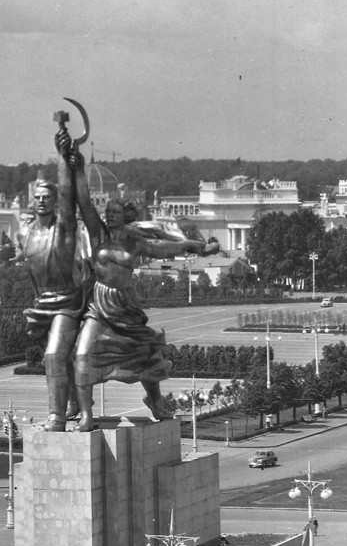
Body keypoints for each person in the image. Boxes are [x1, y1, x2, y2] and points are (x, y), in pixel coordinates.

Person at [68, 145, 218, 421]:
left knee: (144, 354)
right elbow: (85, 203)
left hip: (124, 306)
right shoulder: (98, 234)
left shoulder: (136, 243)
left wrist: (200, 249)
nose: (108, 214)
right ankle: (84, 411)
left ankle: (156, 401)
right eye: (108, 211)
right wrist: (78, 169)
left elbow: (170, 247)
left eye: (114, 211)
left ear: (125, 216)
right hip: (98, 305)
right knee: (82, 353)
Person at [15, 125, 91, 431]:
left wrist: (62, 156)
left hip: (67, 303)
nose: (43, 201)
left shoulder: (64, 229)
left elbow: (69, 193)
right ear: (32, 200)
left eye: (48, 196)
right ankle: (73, 404)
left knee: (52, 357)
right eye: (38, 197)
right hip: (41, 304)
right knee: (63, 359)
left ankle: (56, 418)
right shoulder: (24, 233)